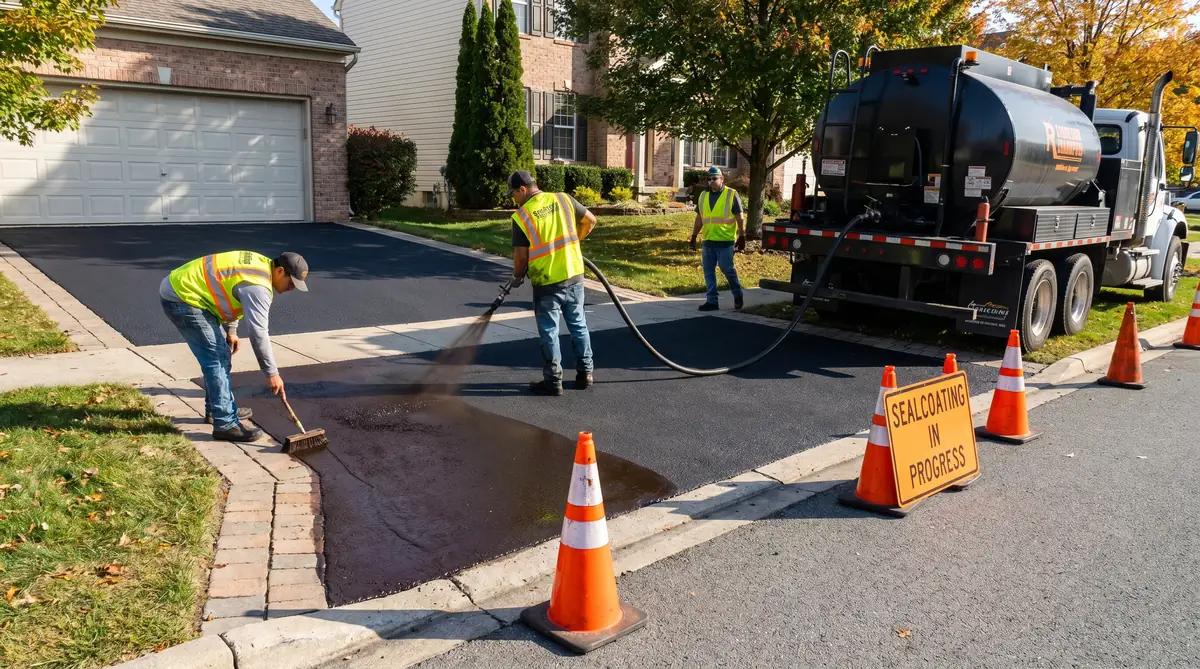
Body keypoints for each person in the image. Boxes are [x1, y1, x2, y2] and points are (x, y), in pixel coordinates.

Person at [159, 250, 309, 441]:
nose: (292, 288)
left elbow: (227, 290)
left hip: (185, 289)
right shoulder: (259, 287)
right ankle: (225, 424)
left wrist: (231, 331)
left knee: (221, 355)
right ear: (280, 271)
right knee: (217, 359)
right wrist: (272, 374)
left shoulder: (261, 264)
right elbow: (258, 333)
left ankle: (218, 409)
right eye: (291, 283)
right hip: (183, 297)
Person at [509, 170, 598, 396]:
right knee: (578, 324)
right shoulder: (563, 199)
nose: (513, 199)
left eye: (514, 194)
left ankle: (553, 380)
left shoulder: (522, 216)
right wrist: (574, 242)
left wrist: (517, 277)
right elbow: (591, 221)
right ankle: (586, 373)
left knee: (549, 330)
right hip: (574, 273)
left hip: (547, 281)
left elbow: (521, 257)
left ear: (523, 189)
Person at [689, 166, 746, 311]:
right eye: (709, 179)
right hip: (708, 240)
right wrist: (694, 236)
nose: (711, 181)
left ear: (722, 179)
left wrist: (742, 236)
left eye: (714, 178)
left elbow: (740, 218)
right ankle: (712, 301)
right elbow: (699, 218)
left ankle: (737, 294)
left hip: (725, 241)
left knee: (727, 269)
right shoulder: (703, 196)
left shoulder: (731, 194)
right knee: (708, 272)